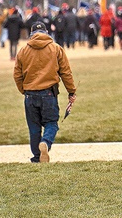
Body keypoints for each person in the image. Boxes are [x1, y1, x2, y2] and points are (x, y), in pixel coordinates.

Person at [12, 20, 76, 163]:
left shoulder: (23, 51)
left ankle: (36, 157)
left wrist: (24, 90)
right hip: (48, 93)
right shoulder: (56, 48)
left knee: (34, 128)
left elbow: (17, 74)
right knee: (51, 123)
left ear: (31, 34)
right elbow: (66, 72)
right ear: (46, 33)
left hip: (29, 94)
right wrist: (71, 91)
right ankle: (46, 143)